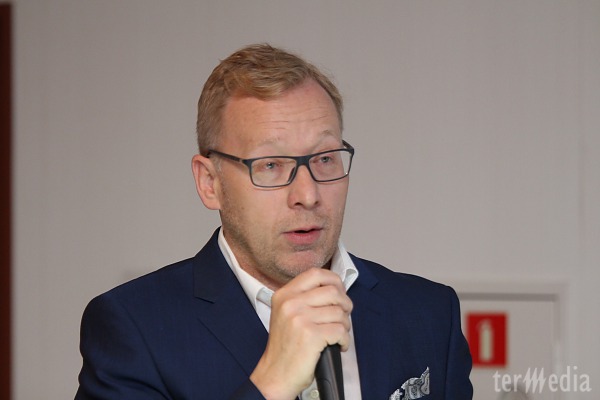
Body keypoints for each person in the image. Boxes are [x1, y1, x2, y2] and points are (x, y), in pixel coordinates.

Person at [76, 43, 472, 400]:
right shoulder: (135, 328)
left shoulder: (429, 313)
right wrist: (271, 384)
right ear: (210, 183)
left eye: (325, 159)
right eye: (270, 165)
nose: (308, 194)